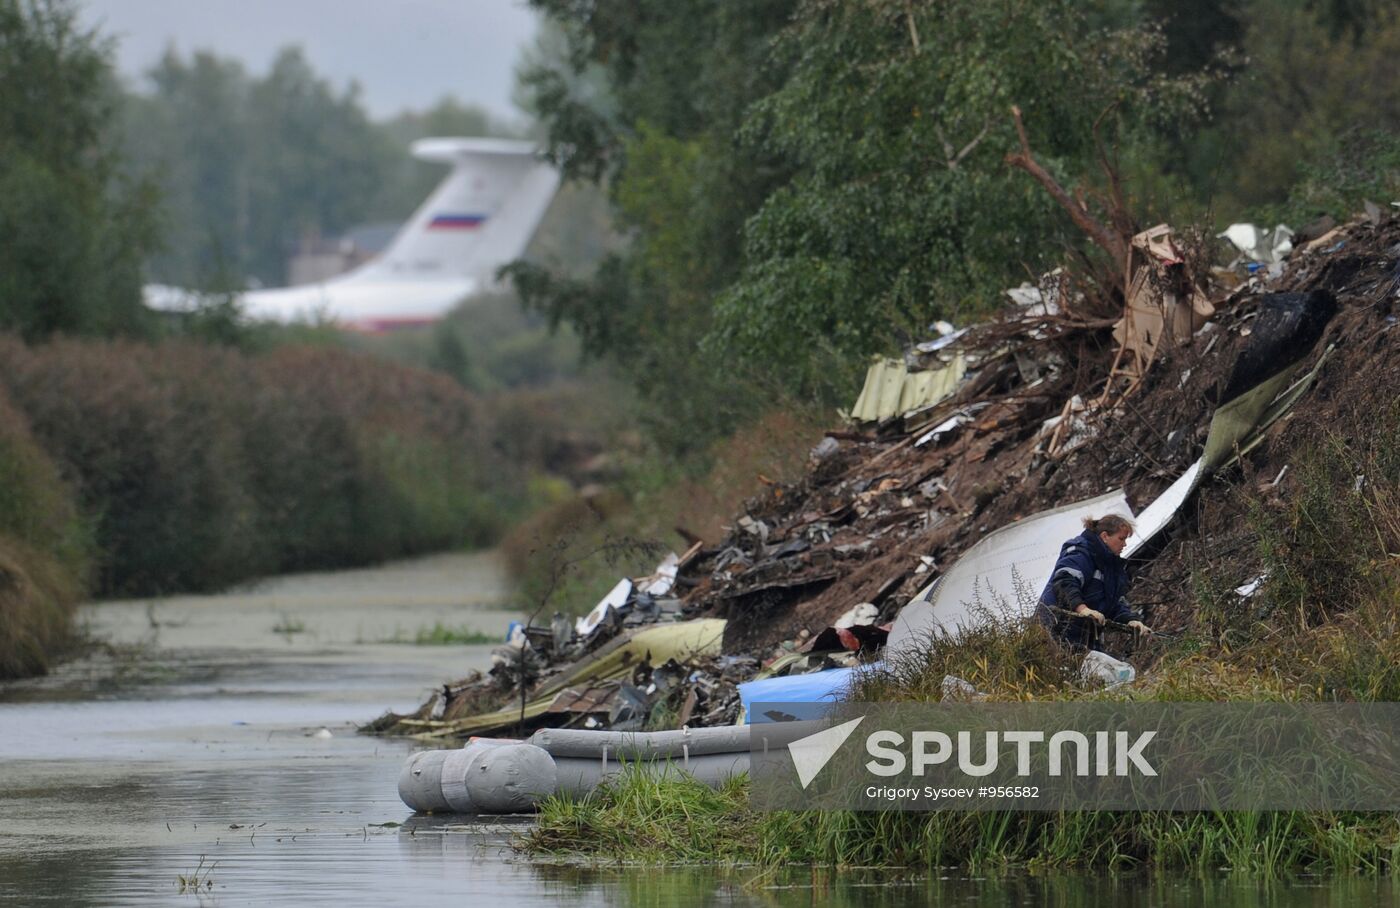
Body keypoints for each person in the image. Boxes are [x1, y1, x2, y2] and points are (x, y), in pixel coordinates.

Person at [1037, 514, 1152, 650]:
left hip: (1085, 637)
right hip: (1054, 630)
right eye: (1121, 539)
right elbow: (1064, 581)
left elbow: (1114, 603)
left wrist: (1131, 620)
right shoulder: (1081, 552)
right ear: (1104, 536)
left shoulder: (1111, 566)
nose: (1125, 544)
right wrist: (1082, 609)